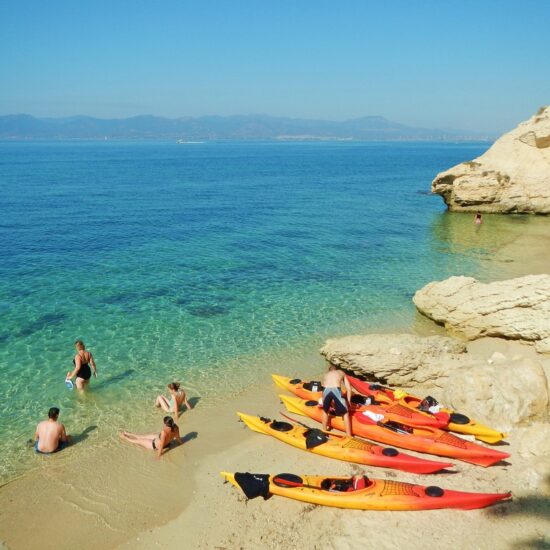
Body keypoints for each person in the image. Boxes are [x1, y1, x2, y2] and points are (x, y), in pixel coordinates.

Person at [321, 364, 353, 437]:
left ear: (329, 370)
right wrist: (348, 401)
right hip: (336, 389)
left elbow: (323, 388)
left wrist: (325, 402)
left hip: (325, 390)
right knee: (345, 412)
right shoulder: (341, 372)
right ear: (336, 369)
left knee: (325, 411)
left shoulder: (326, 374)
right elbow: (348, 388)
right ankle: (348, 435)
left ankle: (324, 431)